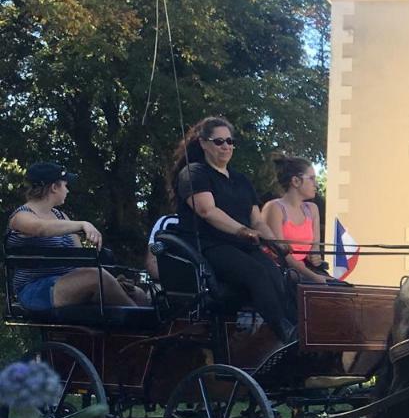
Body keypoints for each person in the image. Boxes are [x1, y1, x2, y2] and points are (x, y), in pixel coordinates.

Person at [169, 116, 296, 342]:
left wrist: (275, 242)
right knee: (256, 273)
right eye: (218, 142)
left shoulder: (241, 180)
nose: (226, 146)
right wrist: (241, 231)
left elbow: (257, 221)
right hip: (208, 246)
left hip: (241, 246)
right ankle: (283, 331)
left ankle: (292, 328)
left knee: (277, 273)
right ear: (203, 143)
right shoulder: (194, 173)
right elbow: (207, 211)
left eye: (229, 141)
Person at [5, 161, 145, 312]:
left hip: (68, 283)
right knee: (96, 277)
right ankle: (145, 325)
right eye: (65, 185)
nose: (68, 190)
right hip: (36, 290)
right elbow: (40, 228)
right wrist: (82, 224)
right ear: (54, 187)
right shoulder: (21, 216)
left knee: (138, 294)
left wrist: (113, 284)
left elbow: (81, 262)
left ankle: (131, 332)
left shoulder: (62, 217)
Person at [261, 154, 334, 285]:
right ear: (295, 181)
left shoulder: (312, 209)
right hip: (282, 272)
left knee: (343, 290)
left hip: (306, 270)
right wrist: (314, 277)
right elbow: (282, 255)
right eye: (311, 179)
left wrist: (315, 257)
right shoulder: (275, 208)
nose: (316, 184)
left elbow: (315, 246)